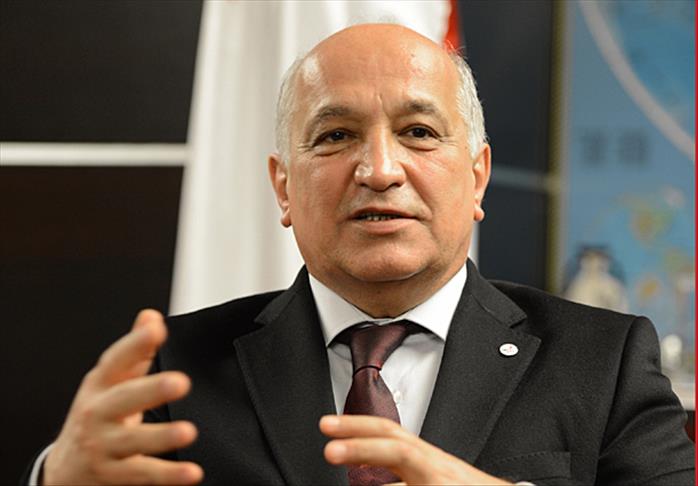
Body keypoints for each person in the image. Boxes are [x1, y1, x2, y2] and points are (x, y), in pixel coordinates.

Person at [30, 24, 693, 485]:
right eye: (336, 136)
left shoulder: (604, 363)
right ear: (283, 187)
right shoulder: (174, 371)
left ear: (477, 178)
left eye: (419, 131)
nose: (379, 170)